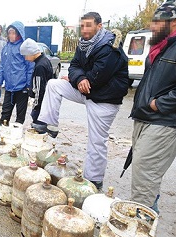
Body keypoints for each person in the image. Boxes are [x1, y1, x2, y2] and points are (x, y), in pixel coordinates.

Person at [32, 12, 128, 191]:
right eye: (82, 25)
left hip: (104, 99)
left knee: (96, 141)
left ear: (99, 26)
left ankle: (94, 180)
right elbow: (74, 66)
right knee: (54, 84)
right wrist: (78, 78)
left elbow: (97, 77)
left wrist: (78, 78)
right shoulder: (84, 45)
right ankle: (50, 125)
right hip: (87, 90)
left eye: (89, 25)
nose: (84, 29)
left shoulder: (109, 47)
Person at [130, 0, 176, 213]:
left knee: (145, 174)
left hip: (164, 121)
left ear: (175, 21)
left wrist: (160, 104)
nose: (152, 26)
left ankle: (140, 228)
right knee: (145, 174)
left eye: (158, 21)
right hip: (145, 117)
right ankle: (149, 213)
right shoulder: (161, 46)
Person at [0, 21, 34, 125]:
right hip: (9, 87)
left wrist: (29, 85)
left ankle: (16, 136)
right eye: (9, 33)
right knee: (5, 114)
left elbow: (30, 67)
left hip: (22, 87)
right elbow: (2, 66)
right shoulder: (6, 48)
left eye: (13, 33)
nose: (11, 35)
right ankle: (2, 133)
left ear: (19, 33)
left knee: (20, 117)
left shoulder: (23, 47)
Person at [19, 38, 53, 123]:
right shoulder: (45, 60)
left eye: (25, 55)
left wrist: (35, 108)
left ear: (31, 52)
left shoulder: (40, 66)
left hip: (40, 107)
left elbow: (39, 90)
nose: (25, 58)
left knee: (38, 129)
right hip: (45, 103)